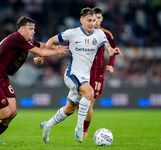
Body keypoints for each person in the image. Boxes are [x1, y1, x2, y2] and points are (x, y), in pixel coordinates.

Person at [0, 16, 69, 144]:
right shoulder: (16, 38)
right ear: (21, 29)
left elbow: (42, 45)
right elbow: (40, 52)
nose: (33, 32)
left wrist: (55, 48)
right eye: (30, 29)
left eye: (34, 29)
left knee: (12, 112)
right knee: (5, 113)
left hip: (2, 77)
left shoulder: (25, 41)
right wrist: (56, 51)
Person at [35, 7, 123, 143]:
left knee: (69, 110)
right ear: (81, 20)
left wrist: (113, 52)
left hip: (85, 77)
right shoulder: (72, 33)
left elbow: (109, 50)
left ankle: (48, 125)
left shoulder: (99, 34)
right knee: (89, 92)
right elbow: (52, 40)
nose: (92, 23)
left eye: (94, 20)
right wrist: (42, 56)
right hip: (71, 74)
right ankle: (79, 128)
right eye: (89, 20)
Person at [83, 7, 117, 137]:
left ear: (102, 19)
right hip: (83, 69)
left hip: (97, 71)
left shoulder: (106, 34)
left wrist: (111, 65)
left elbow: (112, 50)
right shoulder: (84, 32)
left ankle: (84, 130)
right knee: (79, 103)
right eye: (93, 18)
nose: (96, 21)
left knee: (91, 101)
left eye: (98, 18)